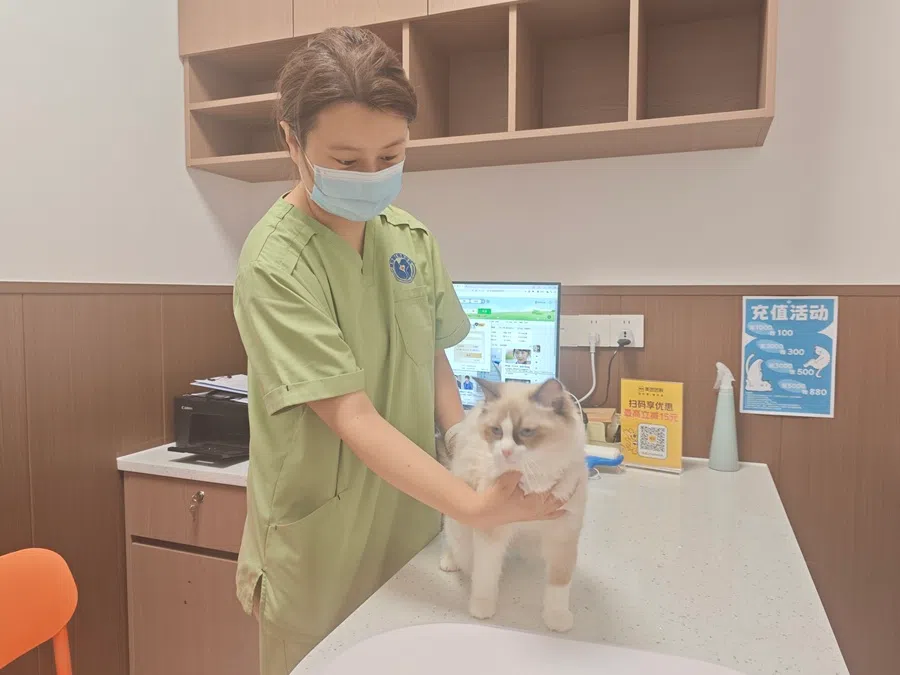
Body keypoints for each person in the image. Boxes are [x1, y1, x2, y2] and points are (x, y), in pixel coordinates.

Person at [231, 27, 567, 675]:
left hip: (413, 529)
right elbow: (351, 415)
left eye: (391, 157)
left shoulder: (411, 239)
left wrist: (474, 451)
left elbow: (432, 356)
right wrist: (473, 504)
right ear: (290, 142)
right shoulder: (275, 264)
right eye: (348, 161)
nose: (372, 176)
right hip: (322, 549)